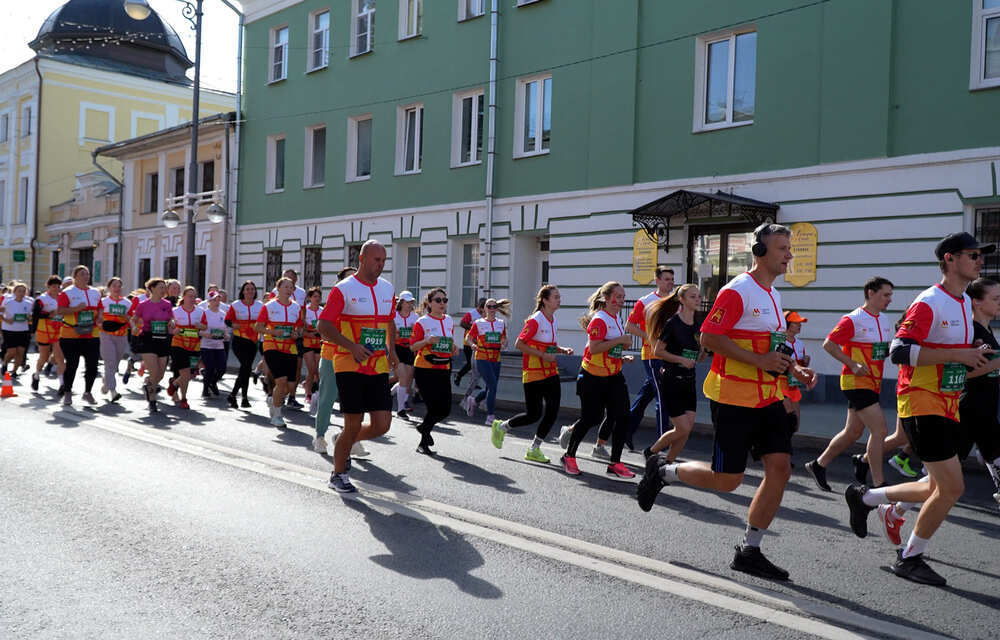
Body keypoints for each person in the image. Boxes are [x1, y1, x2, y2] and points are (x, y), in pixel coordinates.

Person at [636, 223, 817, 581]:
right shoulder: (738, 291)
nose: (789, 255)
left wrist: (793, 368)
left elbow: (772, 346)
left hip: (768, 397)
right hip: (733, 398)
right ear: (760, 252)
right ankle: (664, 471)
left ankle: (750, 549)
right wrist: (761, 362)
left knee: (780, 468)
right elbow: (710, 337)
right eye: (782, 248)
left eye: (789, 248)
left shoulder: (774, 296)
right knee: (727, 480)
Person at [844, 232, 993, 586]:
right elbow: (900, 351)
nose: (979, 261)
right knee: (951, 488)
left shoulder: (960, 303)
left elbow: (952, 356)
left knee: (935, 485)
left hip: (947, 402)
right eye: (973, 255)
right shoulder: (930, 301)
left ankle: (866, 498)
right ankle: (909, 557)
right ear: (950, 260)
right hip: (922, 402)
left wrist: (977, 355)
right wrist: (959, 354)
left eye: (980, 255)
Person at [876, 277, 1000, 545]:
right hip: (966, 410)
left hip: (982, 411)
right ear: (976, 301)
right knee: (942, 483)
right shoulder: (972, 330)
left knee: (942, 482)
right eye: (996, 298)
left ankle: (889, 508)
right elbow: (966, 372)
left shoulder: (981, 330)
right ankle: (881, 502)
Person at [317, 241, 397, 492]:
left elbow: (390, 322)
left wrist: (392, 349)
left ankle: (343, 440)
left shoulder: (387, 288)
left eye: (383, 260)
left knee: (382, 424)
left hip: (378, 364)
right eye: (376, 260)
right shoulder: (344, 289)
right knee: (354, 421)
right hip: (348, 363)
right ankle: (338, 474)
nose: (380, 265)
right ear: (362, 259)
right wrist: (351, 346)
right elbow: (324, 326)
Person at [805, 277, 895, 491]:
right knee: (880, 431)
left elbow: (881, 350)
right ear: (871, 293)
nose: (890, 299)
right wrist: (853, 364)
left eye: (891, 295)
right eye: (885, 295)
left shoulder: (883, 319)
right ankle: (879, 483)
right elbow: (829, 344)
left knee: (853, 432)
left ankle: (818, 465)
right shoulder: (853, 319)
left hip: (873, 382)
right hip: (856, 381)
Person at [561, 282, 636, 479]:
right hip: (592, 378)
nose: (620, 301)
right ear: (606, 298)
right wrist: (621, 340)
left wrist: (620, 357)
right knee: (591, 419)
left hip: (614, 376)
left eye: (622, 297)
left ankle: (615, 463)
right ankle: (569, 456)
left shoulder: (616, 318)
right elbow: (594, 348)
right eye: (617, 297)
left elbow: (608, 348)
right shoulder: (599, 320)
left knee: (622, 416)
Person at [490, 285, 574, 463]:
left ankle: (534, 448)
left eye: (559, 297)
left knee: (552, 411)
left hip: (550, 371)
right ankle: (502, 426)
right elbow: (519, 344)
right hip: (534, 373)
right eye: (556, 297)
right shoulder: (536, 319)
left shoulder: (553, 319)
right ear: (545, 300)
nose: (560, 300)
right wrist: (543, 355)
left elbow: (547, 344)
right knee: (533, 414)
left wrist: (561, 350)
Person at [641, 284, 706, 463]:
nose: (698, 300)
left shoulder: (698, 324)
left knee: (687, 428)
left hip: (689, 380)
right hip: (672, 381)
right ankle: (651, 452)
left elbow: (697, 357)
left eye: (699, 296)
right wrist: (680, 360)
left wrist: (703, 353)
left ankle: (668, 463)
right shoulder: (673, 323)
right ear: (682, 300)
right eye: (693, 296)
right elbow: (658, 351)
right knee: (683, 428)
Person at [313, 266, 362, 454]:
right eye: (349, 278)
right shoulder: (333, 305)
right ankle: (319, 436)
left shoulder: (362, 306)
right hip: (332, 356)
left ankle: (349, 437)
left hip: (353, 357)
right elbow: (324, 330)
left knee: (354, 400)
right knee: (327, 397)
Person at [625, 266, 676, 449]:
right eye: (666, 279)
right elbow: (629, 326)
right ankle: (662, 445)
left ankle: (626, 430)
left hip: (670, 356)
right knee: (663, 398)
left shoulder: (676, 301)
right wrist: (650, 337)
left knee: (646, 395)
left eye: (672, 279)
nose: (670, 282)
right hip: (653, 356)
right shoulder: (645, 301)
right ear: (657, 280)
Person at [410, 288, 460, 455]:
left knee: (445, 409)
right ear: (429, 303)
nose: (442, 304)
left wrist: (454, 348)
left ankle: (424, 428)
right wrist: (427, 340)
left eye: (445, 300)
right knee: (433, 407)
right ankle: (423, 442)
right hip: (425, 369)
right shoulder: (422, 322)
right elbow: (412, 346)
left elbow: (449, 341)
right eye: (438, 300)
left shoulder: (449, 320)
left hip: (444, 367)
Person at [255, 277, 303, 427]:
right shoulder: (269, 306)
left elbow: (299, 329)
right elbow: (258, 327)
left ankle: (273, 399)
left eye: (291, 287)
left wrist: (297, 334)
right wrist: (273, 331)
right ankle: (277, 415)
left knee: (289, 386)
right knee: (281, 382)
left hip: (290, 348)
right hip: (272, 347)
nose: (289, 290)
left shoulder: (296, 307)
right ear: (278, 288)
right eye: (286, 287)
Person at [56, 265, 103, 406]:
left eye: (87, 274)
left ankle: (87, 392)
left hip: (92, 333)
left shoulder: (95, 292)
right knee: (72, 364)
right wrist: (76, 309)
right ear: (75, 276)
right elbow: (60, 310)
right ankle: (68, 392)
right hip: (71, 334)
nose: (86, 276)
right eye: (82, 274)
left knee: (93, 365)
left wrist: (100, 317)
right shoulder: (67, 292)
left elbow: (100, 307)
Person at [462, 298, 511, 425]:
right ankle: (490, 416)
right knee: (493, 385)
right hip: (482, 356)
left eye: (494, 307)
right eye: (489, 306)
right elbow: (469, 337)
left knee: (491, 386)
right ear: (484, 308)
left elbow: (504, 338)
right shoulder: (478, 323)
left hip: (496, 357)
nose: (492, 309)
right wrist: (472, 345)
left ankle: (474, 400)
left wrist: (504, 343)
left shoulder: (501, 323)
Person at [131, 278, 174, 413]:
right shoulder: (143, 304)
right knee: (154, 371)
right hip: (148, 339)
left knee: (160, 374)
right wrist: (133, 327)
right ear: (152, 289)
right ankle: (152, 399)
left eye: (164, 288)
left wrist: (172, 322)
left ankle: (149, 384)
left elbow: (171, 318)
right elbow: (134, 319)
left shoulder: (167, 304)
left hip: (163, 339)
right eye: (161, 287)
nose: (163, 290)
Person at [272, 269, 307, 409]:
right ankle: (275, 394)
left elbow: (302, 313)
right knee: (279, 370)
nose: (287, 285)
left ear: (295, 281)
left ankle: (291, 397)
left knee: (297, 366)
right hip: (277, 337)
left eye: (291, 281)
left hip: (294, 335)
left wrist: (300, 330)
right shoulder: (275, 292)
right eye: (285, 280)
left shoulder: (301, 293)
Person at [167, 286, 207, 410]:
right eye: (190, 296)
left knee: (190, 374)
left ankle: (174, 384)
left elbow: (205, 327)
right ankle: (184, 399)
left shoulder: (200, 312)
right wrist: (174, 329)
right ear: (183, 297)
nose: (192, 299)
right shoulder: (176, 311)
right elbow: (170, 328)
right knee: (185, 372)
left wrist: (200, 325)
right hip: (179, 345)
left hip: (194, 346)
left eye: (194, 296)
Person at [225, 281, 263, 409]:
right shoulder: (236, 305)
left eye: (252, 289)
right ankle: (238, 395)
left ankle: (240, 397)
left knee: (246, 369)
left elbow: (264, 320)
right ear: (243, 291)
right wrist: (234, 324)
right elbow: (227, 320)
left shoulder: (259, 305)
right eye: (247, 289)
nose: (250, 291)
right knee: (246, 366)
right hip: (239, 340)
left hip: (253, 341)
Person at [98, 277, 130, 403]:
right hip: (106, 335)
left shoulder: (127, 303)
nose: (116, 288)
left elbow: (132, 318)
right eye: (114, 286)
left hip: (121, 335)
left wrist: (126, 317)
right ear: (109, 288)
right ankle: (113, 391)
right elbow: (97, 317)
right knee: (110, 362)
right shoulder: (103, 302)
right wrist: (99, 323)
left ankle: (106, 383)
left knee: (115, 364)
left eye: (119, 286)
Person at [778, 310, 810, 438]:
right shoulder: (779, 340)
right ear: (787, 324)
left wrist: (806, 363)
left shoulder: (799, 343)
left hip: (794, 387)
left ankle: (784, 446)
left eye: (800, 323)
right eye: (796, 323)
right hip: (780, 386)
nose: (800, 325)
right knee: (787, 421)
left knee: (795, 424)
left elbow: (800, 367)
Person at [31, 276, 65, 392]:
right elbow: (36, 313)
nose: (56, 289)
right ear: (48, 287)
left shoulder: (62, 298)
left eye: (58, 286)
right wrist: (48, 315)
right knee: (44, 357)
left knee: (60, 358)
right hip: (43, 331)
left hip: (58, 332)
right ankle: (36, 375)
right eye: (53, 286)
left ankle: (62, 384)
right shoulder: (42, 299)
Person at [392, 290, 418, 420]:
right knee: (403, 376)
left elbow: (419, 333)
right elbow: (387, 333)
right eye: (407, 302)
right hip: (396, 349)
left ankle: (390, 392)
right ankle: (401, 409)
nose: (409, 305)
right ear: (401, 303)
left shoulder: (415, 317)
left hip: (410, 350)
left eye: (411, 302)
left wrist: (415, 331)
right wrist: (395, 334)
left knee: (408, 379)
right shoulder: (394, 316)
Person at [199, 292, 229, 397]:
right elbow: (198, 331)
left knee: (222, 368)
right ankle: (205, 389)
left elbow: (225, 329)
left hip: (219, 345)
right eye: (214, 300)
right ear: (209, 301)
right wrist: (206, 334)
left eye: (218, 300)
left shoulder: (223, 314)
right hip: (206, 345)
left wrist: (226, 335)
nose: (217, 302)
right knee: (210, 368)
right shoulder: (204, 313)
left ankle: (213, 382)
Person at [0, 282, 33, 378]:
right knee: (12, 351)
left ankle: (14, 371)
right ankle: (5, 363)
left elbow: (30, 316)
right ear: (14, 292)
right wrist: (7, 320)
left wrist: (29, 317)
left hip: (23, 330)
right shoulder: (8, 302)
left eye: (23, 291)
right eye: (19, 291)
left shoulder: (28, 303)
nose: (21, 293)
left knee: (21, 352)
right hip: (9, 329)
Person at [455, 298, 486, 388]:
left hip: (479, 343)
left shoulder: (486, 315)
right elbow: (462, 323)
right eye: (481, 307)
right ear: (478, 306)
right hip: (468, 343)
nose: (482, 310)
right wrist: (474, 328)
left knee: (477, 365)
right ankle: (459, 375)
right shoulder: (472, 314)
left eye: (484, 308)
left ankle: (473, 382)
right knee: (470, 364)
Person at [302, 286, 323, 414]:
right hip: (308, 342)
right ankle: (308, 393)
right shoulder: (305, 311)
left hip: (319, 343)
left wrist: (319, 331)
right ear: (310, 298)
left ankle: (313, 391)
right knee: (312, 370)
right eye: (314, 296)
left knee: (318, 371)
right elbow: (301, 328)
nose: (317, 299)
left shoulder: (322, 310)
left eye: (318, 297)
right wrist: (309, 333)